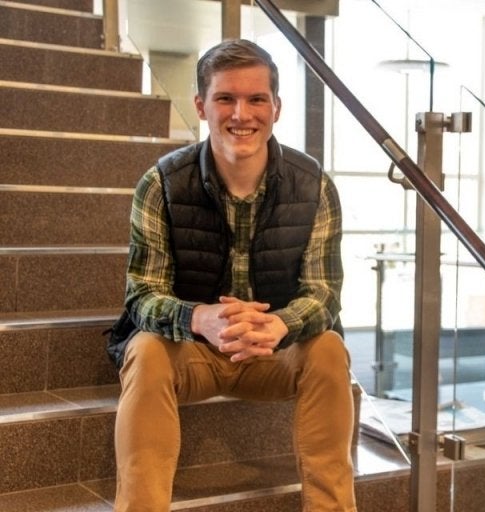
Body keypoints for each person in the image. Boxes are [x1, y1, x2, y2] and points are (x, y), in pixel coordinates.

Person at [106, 38, 357, 512]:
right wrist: (201, 319)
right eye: (226, 98)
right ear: (202, 105)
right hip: (193, 352)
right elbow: (141, 296)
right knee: (144, 349)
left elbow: (324, 293)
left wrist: (279, 324)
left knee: (327, 347)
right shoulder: (161, 183)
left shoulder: (315, 185)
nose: (242, 113)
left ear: (276, 107)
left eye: (256, 98)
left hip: (273, 351)